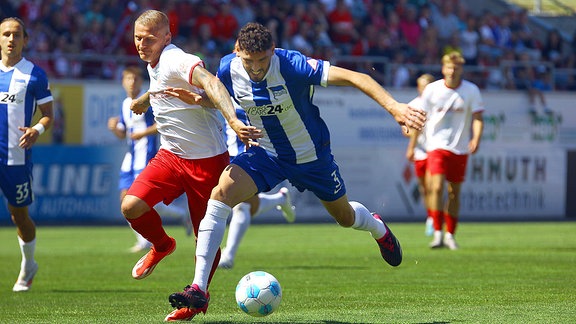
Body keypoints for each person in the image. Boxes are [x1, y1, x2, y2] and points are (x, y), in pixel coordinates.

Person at [164, 22, 426, 321]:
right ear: (237, 53)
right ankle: (198, 288)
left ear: (272, 52)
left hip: (311, 156)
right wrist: (201, 100)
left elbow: (357, 77)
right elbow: (222, 95)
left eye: (262, 61)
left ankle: (377, 228)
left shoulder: (293, 65)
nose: (257, 69)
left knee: (344, 217)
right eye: (250, 62)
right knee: (220, 194)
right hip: (266, 154)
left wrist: (395, 108)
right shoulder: (227, 68)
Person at [120, 9, 255, 295]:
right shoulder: (154, 61)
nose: (142, 45)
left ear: (167, 37)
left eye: (150, 39)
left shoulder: (175, 58)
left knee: (203, 239)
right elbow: (162, 83)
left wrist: (233, 121)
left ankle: (198, 294)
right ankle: (162, 245)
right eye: (138, 38)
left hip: (207, 162)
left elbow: (212, 82)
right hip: (170, 157)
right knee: (130, 206)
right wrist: (146, 98)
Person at [107, 66, 192, 253]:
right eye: (128, 79)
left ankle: (181, 214)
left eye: (135, 79)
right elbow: (123, 134)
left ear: (140, 82)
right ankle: (145, 240)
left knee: (142, 202)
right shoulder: (125, 104)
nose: (131, 83)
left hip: (146, 156)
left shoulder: (148, 102)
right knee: (125, 201)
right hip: (130, 157)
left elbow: (161, 124)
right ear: (122, 82)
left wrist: (143, 133)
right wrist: (114, 128)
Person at [0, 17, 54, 292]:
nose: (11, 39)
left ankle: (28, 264)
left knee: (19, 216)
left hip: (16, 159)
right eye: (6, 34)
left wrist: (36, 130)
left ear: (25, 40)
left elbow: (48, 116)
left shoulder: (34, 75)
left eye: (16, 34)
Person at [419, 51, 484, 250]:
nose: (452, 71)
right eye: (449, 67)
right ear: (443, 68)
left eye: (456, 68)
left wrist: (476, 138)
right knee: (437, 187)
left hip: (460, 148)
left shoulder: (471, 90)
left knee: (454, 192)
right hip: (436, 146)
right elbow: (421, 115)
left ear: (461, 69)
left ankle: (450, 234)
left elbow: (478, 117)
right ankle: (437, 233)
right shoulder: (432, 89)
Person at [218, 105, 296, 269]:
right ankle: (280, 199)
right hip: (227, 152)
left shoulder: (257, 84)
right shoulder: (225, 83)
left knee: (242, 206)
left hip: (253, 152)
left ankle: (229, 256)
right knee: (244, 204)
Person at [405, 73, 435, 236]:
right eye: (422, 85)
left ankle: (435, 219)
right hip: (420, 151)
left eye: (427, 85)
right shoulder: (413, 105)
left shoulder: (437, 103)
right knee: (424, 188)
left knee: (434, 186)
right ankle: (431, 216)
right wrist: (413, 134)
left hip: (435, 149)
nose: (424, 88)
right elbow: (405, 128)